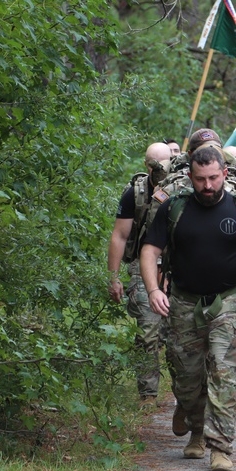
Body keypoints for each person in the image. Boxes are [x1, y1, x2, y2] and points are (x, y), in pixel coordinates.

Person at [140, 146, 236, 471]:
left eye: (214, 178)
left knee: (224, 375)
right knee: (187, 378)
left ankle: (220, 446)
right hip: (183, 302)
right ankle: (196, 428)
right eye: (200, 179)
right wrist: (154, 290)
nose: (208, 185)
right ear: (190, 177)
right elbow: (150, 250)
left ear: (225, 174)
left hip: (228, 301)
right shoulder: (174, 207)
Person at [106, 142, 171, 407]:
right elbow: (120, 235)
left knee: (179, 333)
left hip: (177, 267)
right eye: (154, 164)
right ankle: (148, 393)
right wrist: (113, 277)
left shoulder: (183, 188)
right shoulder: (135, 193)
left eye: (164, 163)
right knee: (147, 331)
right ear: (146, 165)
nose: (159, 169)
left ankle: (186, 392)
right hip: (142, 267)